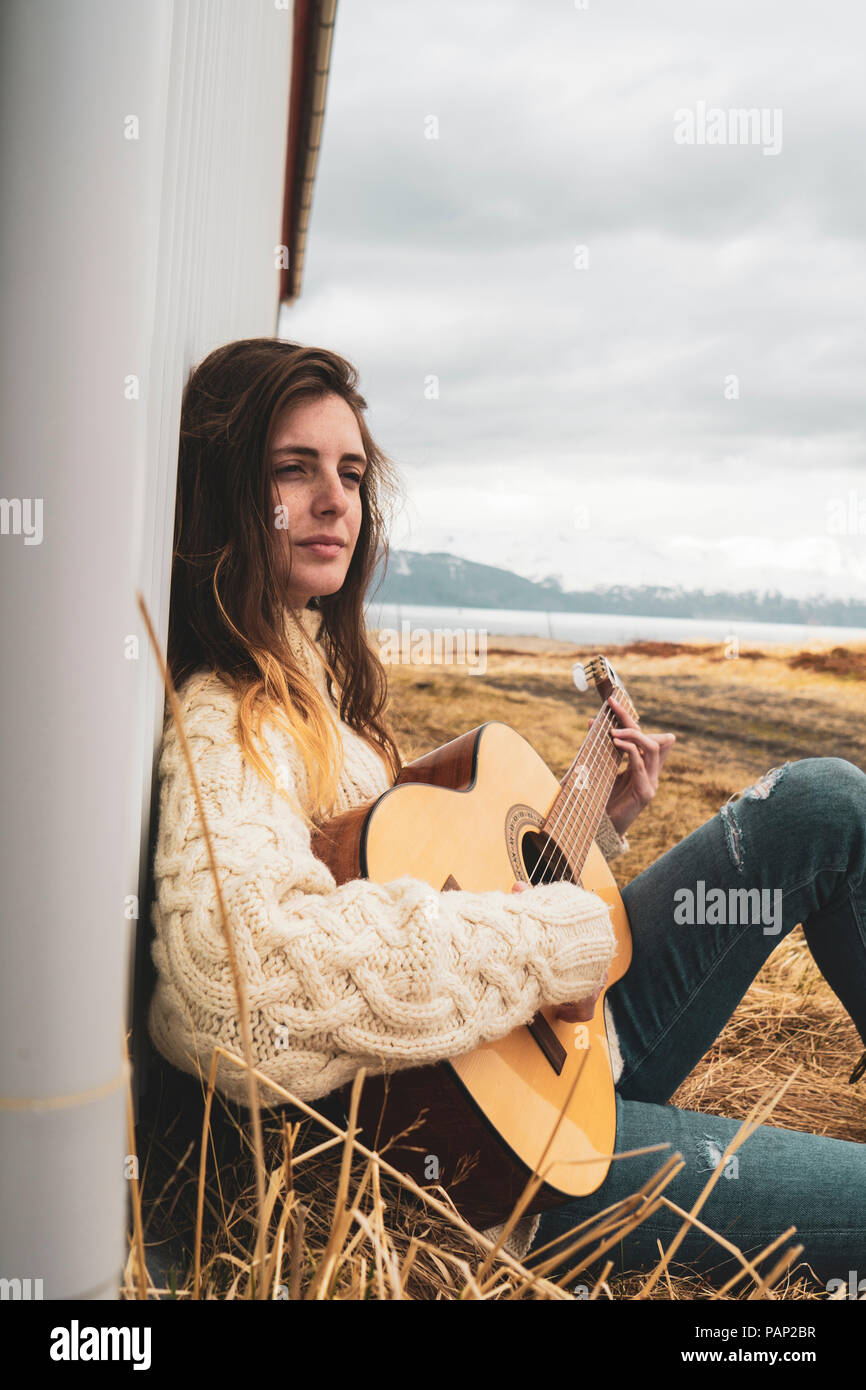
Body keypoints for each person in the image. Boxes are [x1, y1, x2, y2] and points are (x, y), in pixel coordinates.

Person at [147, 337, 866, 1287]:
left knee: (821, 801)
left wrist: (598, 827)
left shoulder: (324, 688)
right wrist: (549, 943)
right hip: (475, 1165)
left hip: (545, 1047)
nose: (335, 500)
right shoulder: (224, 715)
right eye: (294, 468)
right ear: (229, 490)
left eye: (352, 474)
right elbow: (234, 997)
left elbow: (440, 889)